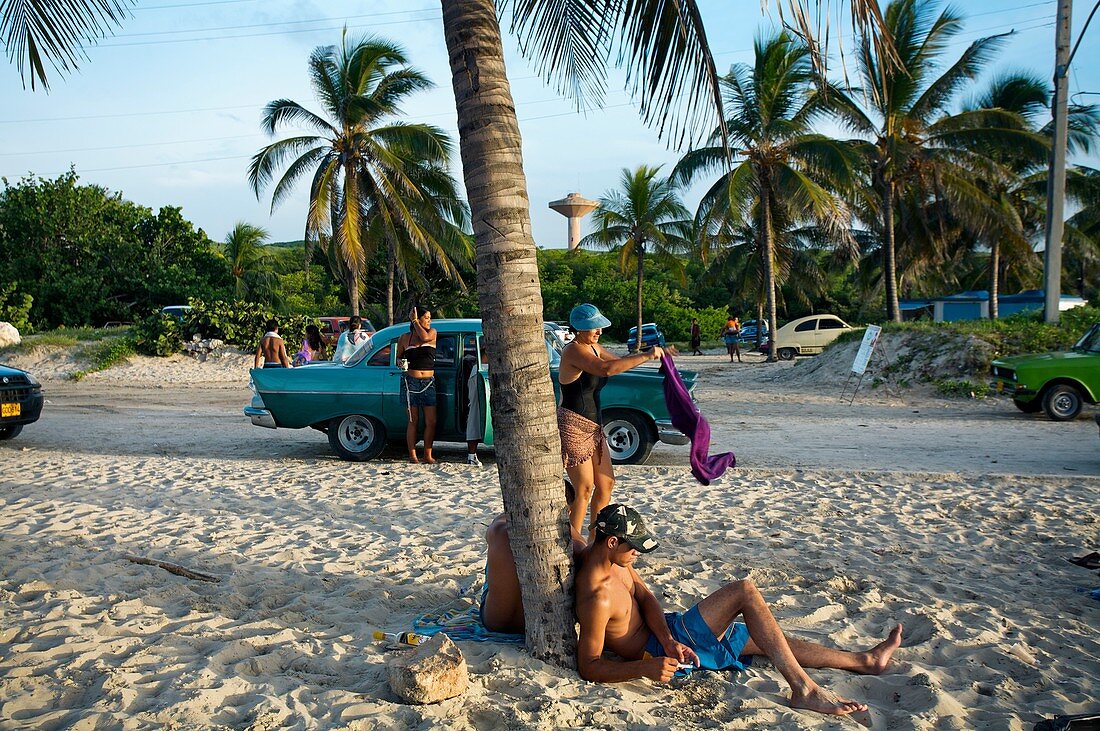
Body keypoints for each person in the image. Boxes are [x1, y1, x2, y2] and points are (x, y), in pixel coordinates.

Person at [575, 503, 904, 717]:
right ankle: (805, 690)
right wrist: (645, 669)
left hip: (670, 633)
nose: (639, 556)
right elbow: (589, 666)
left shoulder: (613, 560)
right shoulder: (597, 596)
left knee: (768, 639)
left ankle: (865, 661)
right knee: (744, 591)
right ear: (613, 542)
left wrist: (668, 637)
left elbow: (645, 597)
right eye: (635, 549)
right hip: (653, 651)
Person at [558, 303, 664, 537]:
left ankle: (595, 540)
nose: (599, 332)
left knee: (606, 485)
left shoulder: (594, 346)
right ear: (578, 329)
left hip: (594, 427)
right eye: (594, 328)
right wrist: (647, 354)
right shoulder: (573, 350)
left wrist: (654, 362)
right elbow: (605, 369)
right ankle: (574, 544)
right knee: (584, 488)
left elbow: (618, 364)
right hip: (572, 424)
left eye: (600, 327)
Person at [481, 480, 588, 633]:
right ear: (567, 511)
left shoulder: (498, 528)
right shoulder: (576, 545)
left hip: (494, 622)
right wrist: (564, 522)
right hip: (536, 623)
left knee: (497, 553)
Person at [396, 306, 438, 464]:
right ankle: (412, 455)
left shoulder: (432, 333)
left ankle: (428, 454)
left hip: (428, 382)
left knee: (431, 421)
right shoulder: (404, 338)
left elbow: (425, 338)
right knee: (413, 420)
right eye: (426, 318)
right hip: (410, 382)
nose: (429, 321)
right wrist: (400, 363)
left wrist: (414, 321)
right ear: (418, 319)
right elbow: (397, 358)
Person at [465, 337, 490, 467]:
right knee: (475, 413)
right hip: (481, 372)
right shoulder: (478, 370)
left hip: (483, 370)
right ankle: (471, 455)